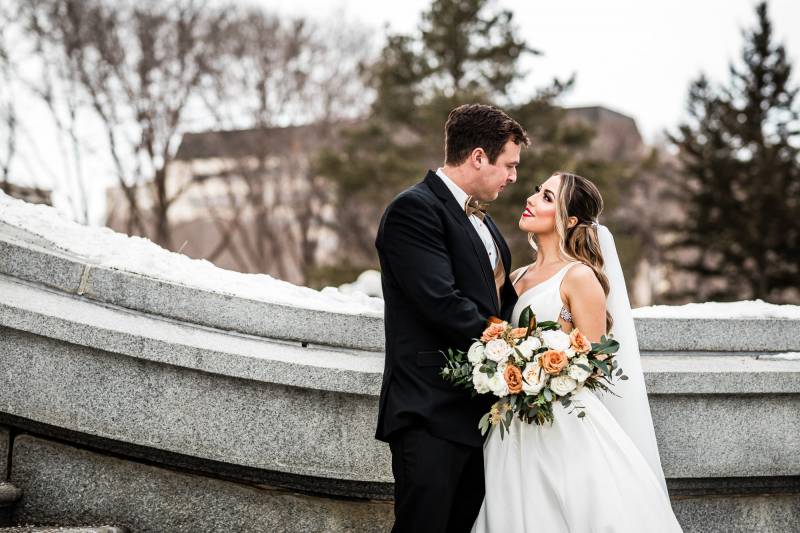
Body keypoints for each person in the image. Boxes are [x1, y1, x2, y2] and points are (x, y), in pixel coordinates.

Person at [472, 171, 683, 532]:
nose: (532, 198)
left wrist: (547, 369)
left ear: (568, 220)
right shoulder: (515, 277)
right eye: (538, 191)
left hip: (564, 425)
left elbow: (596, 359)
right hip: (510, 423)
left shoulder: (580, 278)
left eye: (547, 197)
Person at [375, 103, 529, 532]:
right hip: (429, 409)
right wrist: (515, 345)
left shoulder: (485, 220)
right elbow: (440, 301)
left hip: (479, 413)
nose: (514, 176)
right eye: (509, 165)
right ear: (479, 157)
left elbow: (498, 299)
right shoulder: (414, 210)